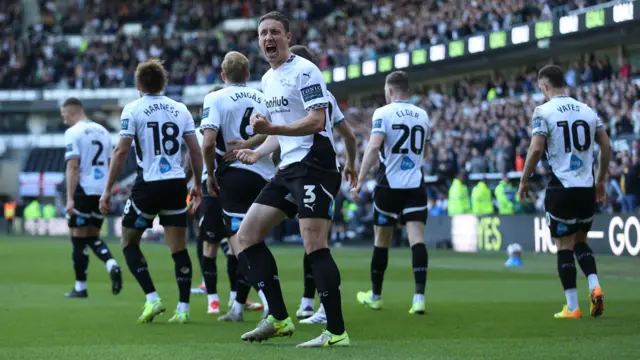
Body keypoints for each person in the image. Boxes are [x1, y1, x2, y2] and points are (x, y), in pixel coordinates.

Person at [232, 11, 354, 347]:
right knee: (246, 235)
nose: (268, 39)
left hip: (315, 163)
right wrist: (257, 150)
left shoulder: (305, 70)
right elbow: (281, 131)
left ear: (288, 36)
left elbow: (316, 121)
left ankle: (337, 332)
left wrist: (272, 129)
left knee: (314, 243)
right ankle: (279, 318)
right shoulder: (268, 79)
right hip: (289, 167)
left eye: (274, 32)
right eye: (262, 34)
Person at [99, 59, 203, 324]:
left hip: (148, 184)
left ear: (138, 85)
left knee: (129, 241)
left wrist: (107, 190)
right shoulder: (180, 109)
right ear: (163, 82)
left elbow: (121, 151)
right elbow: (195, 150)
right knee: (178, 248)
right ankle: (183, 309)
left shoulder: (133, 109)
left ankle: (152, 298)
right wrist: (197, 183)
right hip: (176, 183)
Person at [518, 64, 610, 319]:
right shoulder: (587, 110)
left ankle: (572, 307)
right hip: (585, 188)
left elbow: (536, 149)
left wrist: (524, 179)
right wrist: (600, 181)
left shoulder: (543, 111)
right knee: (581, 242)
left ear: (544, 86)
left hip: (561, 187)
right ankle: (595, 285)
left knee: (563, 246)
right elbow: (606, 145)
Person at [199, 51, 275, 322]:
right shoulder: (263, 98)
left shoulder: (216, 97)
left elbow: (208, 143)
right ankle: (238, 308)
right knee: (249, 242)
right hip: (264, 175)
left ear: (223, 75)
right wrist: (251, 144)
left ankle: (271, 304)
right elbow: (273, 131)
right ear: (247, 74)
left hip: (234, 176)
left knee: (241, 244)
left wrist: (210, 174)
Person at [287, 44, 358, 325]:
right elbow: (349, 136)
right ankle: (309, 303)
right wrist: (351, 163)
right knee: (313, 240)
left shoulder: (299, 91)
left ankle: (320, 307)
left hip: (311, 170)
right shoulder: (326, 95)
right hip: (307, 171)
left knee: (316, 241)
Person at [350, 71, 431, 315]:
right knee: (417, 239)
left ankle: (375, 296)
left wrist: (360, 179)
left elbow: (375, 147)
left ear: (389, 91)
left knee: (381, 241)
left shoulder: (383, 113)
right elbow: (423, 150)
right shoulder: (422, 114)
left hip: (388, 184)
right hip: (415, 183)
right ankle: (419, 298)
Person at [61, 97, 122, 298]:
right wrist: (109, 191)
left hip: (83, 189)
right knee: (92, 236)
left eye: (64, 117)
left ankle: (80, 287)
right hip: (100, 189)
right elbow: (111, 162)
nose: (64, 121)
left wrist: (70, 198)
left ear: (71, 113)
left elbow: (73, 166)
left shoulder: (73, 132)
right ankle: (111, 263)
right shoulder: (103, 131)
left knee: (78, 239)